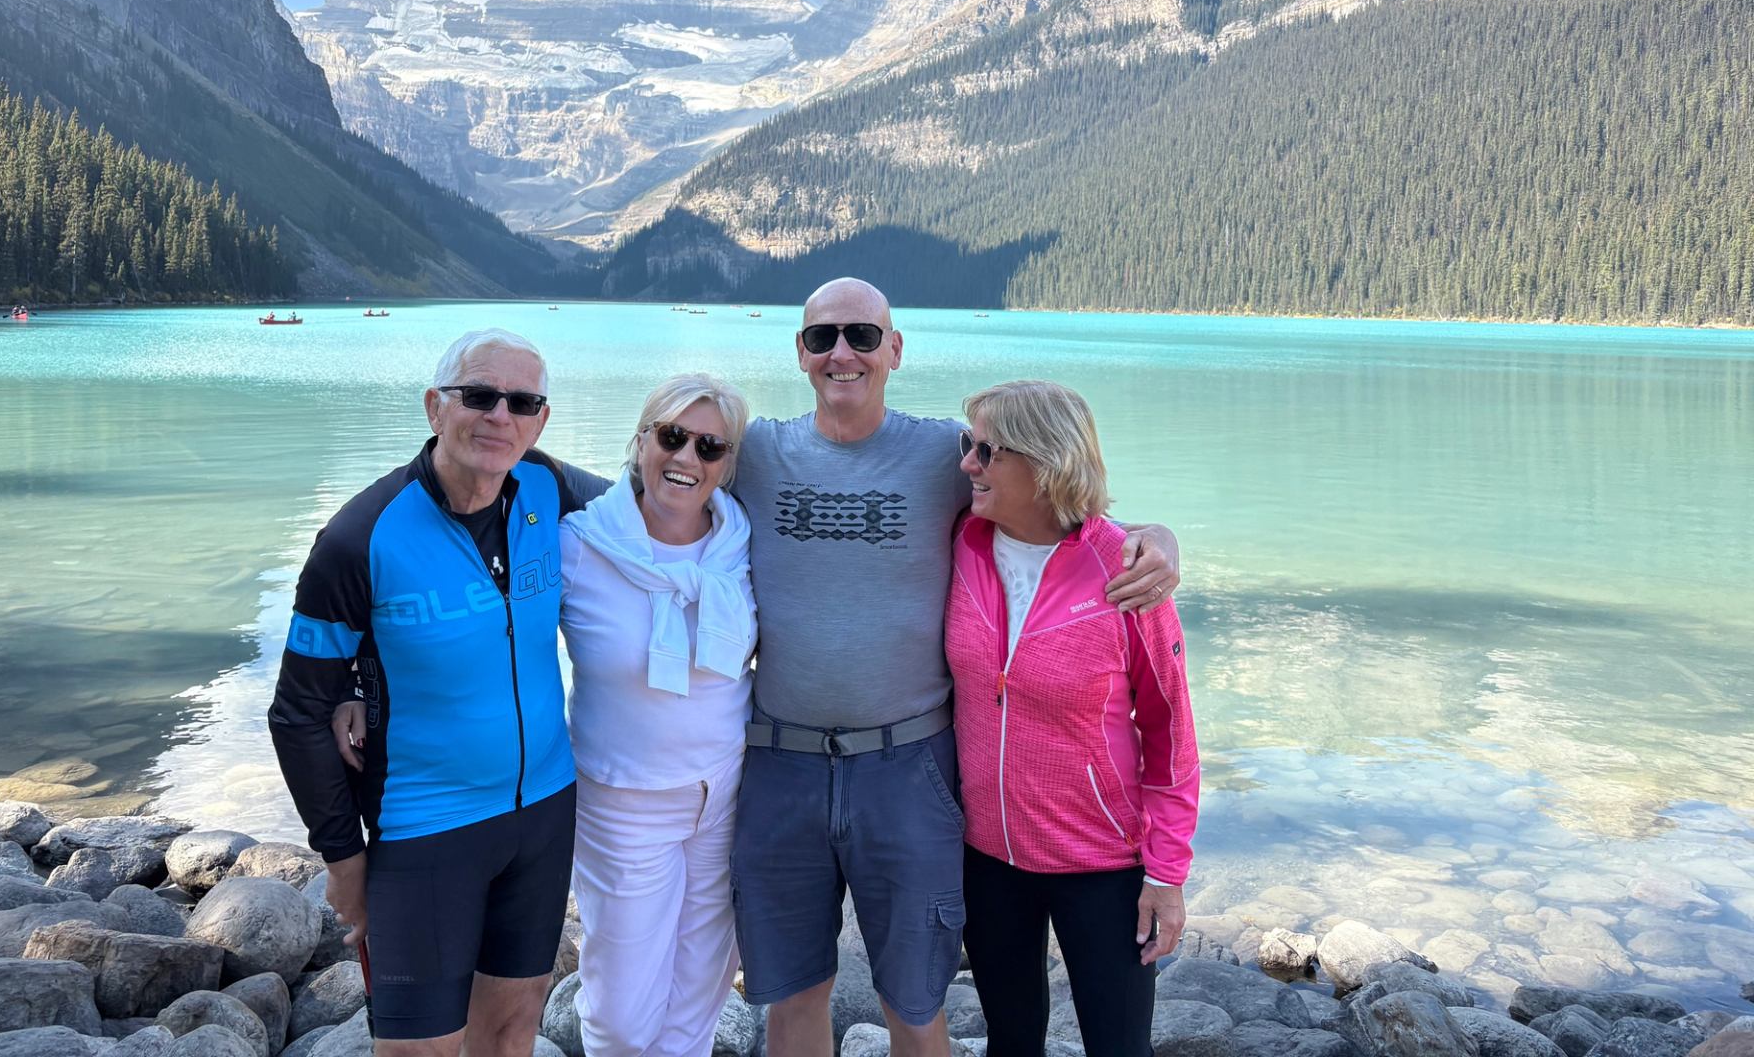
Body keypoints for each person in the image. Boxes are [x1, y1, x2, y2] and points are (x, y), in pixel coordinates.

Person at [727, 278, 1182, 1057]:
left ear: (895, 350)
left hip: (909, 772)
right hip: (779, 766)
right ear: (799, 354)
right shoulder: (755, 452)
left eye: (863, 337)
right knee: (792, 995)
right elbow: (660, 487)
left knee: (915, 997)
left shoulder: (946, 453)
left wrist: (1161, 537)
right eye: (822, 337)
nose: (843, 353)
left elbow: (1064, 500)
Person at [270, 329, 607, 1057]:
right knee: (418, 1050)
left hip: (545, 812)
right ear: (434, 407)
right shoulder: (360, 536)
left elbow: (668, 509)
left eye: (522, 402)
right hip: (425, 828)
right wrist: (342, 859)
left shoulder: (552, 490)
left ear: (542, 419)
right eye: (479, 396)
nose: (500, 416)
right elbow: (296, 710)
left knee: (513, 1030)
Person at [944, 380, 1199, 1057]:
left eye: (986, 451)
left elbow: (1171, 734)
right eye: (969, 445)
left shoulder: (1127, 574)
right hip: (987, 857)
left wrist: (1167, 874)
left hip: (1102, 863)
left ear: (1046, 463)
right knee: (1012, 1041)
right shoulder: (961, 544)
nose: (967, 462)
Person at [559, 374, 755, 1057]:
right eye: (671, 437)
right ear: (640, 440)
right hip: (623, 801)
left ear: (727, 464)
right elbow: (488, 623)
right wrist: (351, 676)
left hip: (725, 794)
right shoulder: (578, 545)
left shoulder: (742, 546)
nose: (687, 459)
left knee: (701, 989)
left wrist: (1101, 543)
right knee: (619, 1010)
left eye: (709, 446)